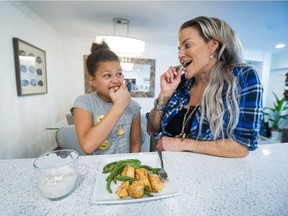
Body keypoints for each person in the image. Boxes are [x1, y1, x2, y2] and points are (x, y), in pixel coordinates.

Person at [147, 16, 263, 158]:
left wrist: (184, 144)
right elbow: (152, 129)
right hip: (165, 171)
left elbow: (242, 147)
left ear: (213, 45)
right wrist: (165, 94)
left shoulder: (243, 77)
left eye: (187, 45)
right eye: (179, 49)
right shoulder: (181, 83)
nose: (180, 55)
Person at [71, 41, 141, 155]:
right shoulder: (84, 103)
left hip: (123, 168)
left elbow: (135, 144)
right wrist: (119, 105)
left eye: (119, 74)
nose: (116, 80)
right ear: (93, 80)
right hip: (95, 168)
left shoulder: (133, 106)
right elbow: (88, 146)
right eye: (107, 75)